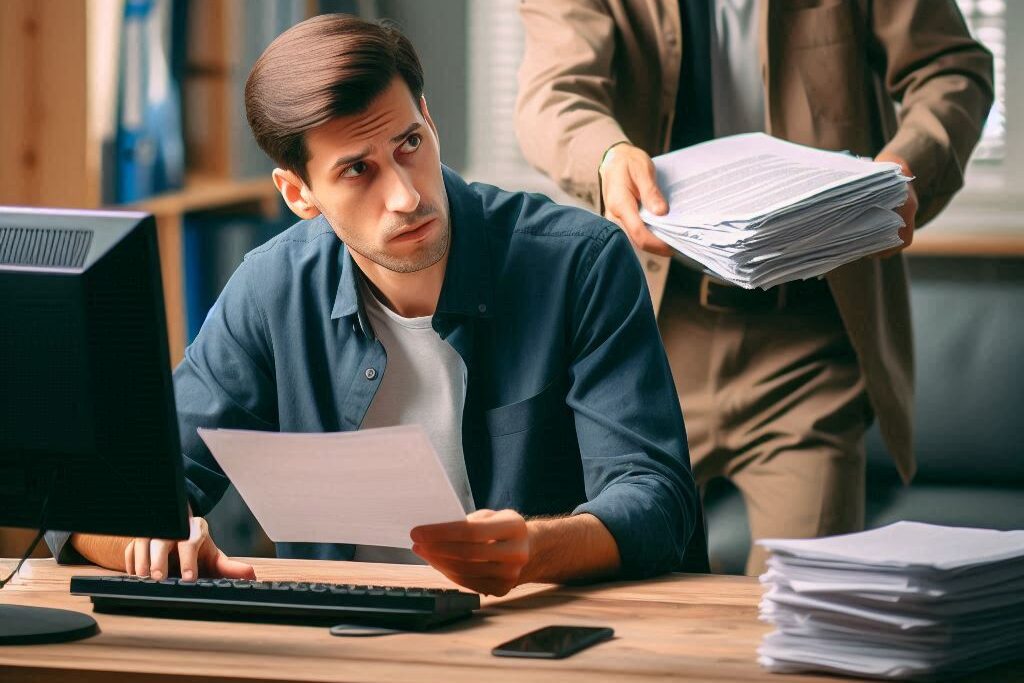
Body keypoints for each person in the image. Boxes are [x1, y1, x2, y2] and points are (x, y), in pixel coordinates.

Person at [45, 14, 700, 596]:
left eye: (410, 145)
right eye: (358, 170)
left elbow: (657, 500)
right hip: (339, 647)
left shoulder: (580, 262)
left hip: (530, 638)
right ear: (298, 193)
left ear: (429, 119)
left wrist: (534, 548)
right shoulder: (271, 287)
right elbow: (97, 495)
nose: (407, 196)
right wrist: (155, 536)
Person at [516, 0, 993, 574]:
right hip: (648, 342)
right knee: (624, 597)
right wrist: (607, 156)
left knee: (806, 614)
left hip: (809, 340)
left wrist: (908, 164)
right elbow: (554, 95)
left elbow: (952, 70)